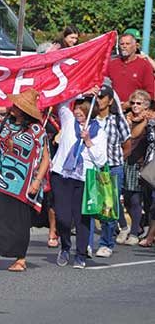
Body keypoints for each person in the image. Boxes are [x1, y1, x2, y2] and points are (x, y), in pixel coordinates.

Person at [0, 89, 50, 271]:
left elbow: (45, 158)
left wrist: (37, 181)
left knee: (18, 221)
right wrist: (6, 109)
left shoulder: (37, 130)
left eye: (18, 106)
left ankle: (20, 259)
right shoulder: (4, 122)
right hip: (1, 179)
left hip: (23, 184)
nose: (13, 107)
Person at [51, 95, 107, 269]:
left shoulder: (100, 131)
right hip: (62, 174)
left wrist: (88, 141)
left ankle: (81, 253)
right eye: (76, 109)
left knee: (82, 218)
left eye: (82, 110)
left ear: (90, 111)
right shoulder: (68, 122)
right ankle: (65, 246)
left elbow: (101, 160)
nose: (77, 112)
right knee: (63, 217)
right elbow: (62, 102)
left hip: (83, 178)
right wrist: (81, 90)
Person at [93, 83, 131, 258]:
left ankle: (106, 243)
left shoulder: (117, 119)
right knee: (94, 206)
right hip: (94, 168)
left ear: (109, 100)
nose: (98, 100)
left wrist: (117, 161)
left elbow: (127, 145)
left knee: (108, 205)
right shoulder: (91, 120)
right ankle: (88, 243)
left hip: (113, 167)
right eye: (97, 97)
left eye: (102, 97)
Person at [123, 90, 153, 245]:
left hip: (141, 162)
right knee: (126, 197)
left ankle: (135, 232)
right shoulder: (126, 118)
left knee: (136, 198)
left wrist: (143, 122)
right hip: (125, 160)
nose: (135, 106)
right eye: (133, 103)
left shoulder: (149, 119)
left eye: (139, 103)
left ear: (146, 106)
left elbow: (134, 135)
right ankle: (137, 226)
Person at [106, 32, 155, 101]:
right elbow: (104, 85)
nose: (124, 46)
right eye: (122, 44)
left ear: (135, 46)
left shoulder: (144, 65)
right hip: (113, 108)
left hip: (134, 109)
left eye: (127, 44)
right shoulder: (111, 64)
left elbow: (150, 93)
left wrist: (130, 104)